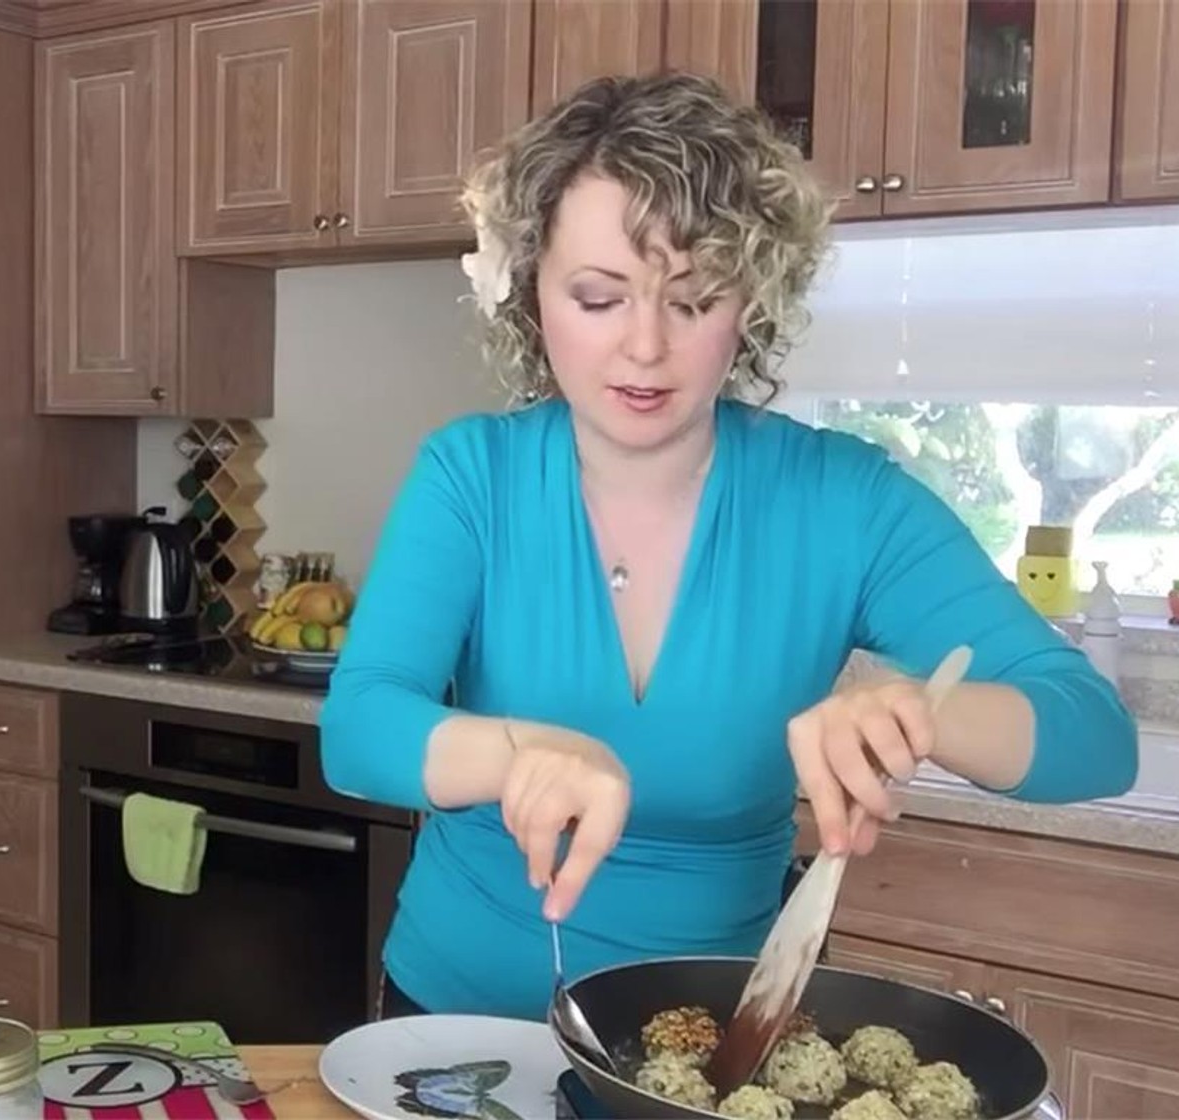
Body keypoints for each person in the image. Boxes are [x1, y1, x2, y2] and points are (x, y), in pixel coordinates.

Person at [317, 71, 1138, 1024]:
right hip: (455, 1031)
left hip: (704, 1050)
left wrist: (918, 708)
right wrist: (517, 749)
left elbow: (1095, 734)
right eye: (598, 298)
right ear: (532, 293)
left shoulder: (847, 502)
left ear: (752, 301)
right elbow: (360, 730)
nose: (645, 348)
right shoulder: (471, 476)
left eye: (694, 300)